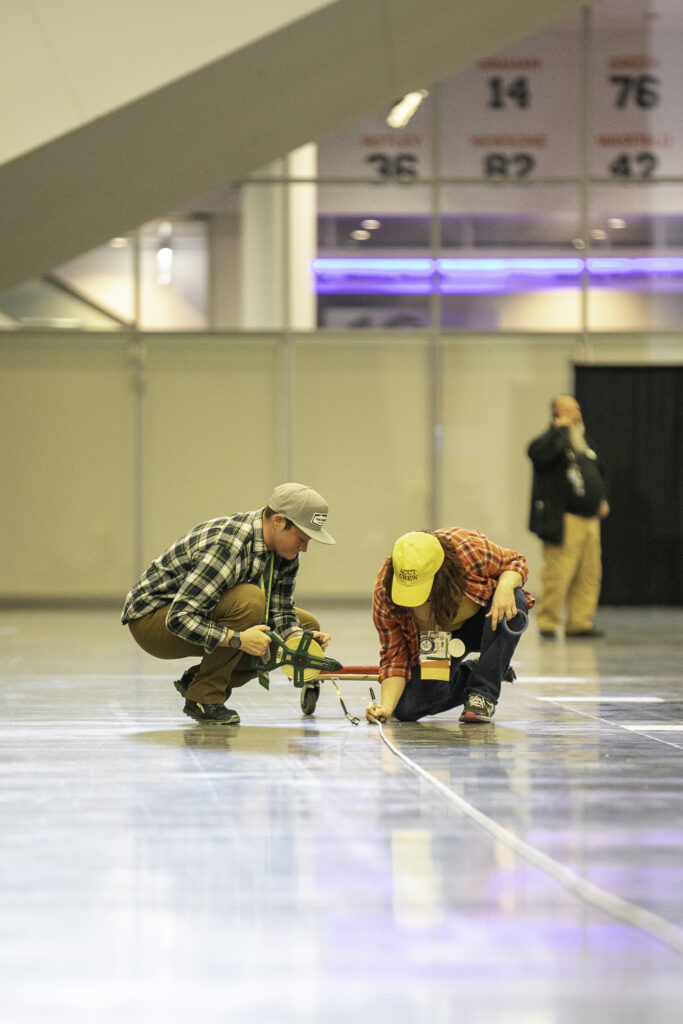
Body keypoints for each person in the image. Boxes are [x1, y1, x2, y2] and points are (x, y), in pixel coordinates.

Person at [121, 483, 335, 724]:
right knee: (250, 601)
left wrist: (298, 642)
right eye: (302, 538)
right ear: (278, 521)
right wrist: (238, 639)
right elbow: (179, 618)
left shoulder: (286, 554)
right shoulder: (228, 545)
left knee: (307, 626)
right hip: (153, 623)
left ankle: (197, 680)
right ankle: (204, 699)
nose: (304, 548)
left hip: (198, 615)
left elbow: (282, 612)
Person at [366, 528, 534, 725]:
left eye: (422, 595)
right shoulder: (385, 592)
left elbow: (515, 562)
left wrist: (505, 587)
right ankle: (483, 670)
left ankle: (483, 692)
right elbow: (394, 658)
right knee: (409, 708)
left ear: (442, 576)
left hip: (486, 622)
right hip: (437, 635)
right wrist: (386, 707)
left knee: (515, 600)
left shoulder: (469, 550)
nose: (413, 605)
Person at [527, 395, 609, 639]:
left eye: (577, 409)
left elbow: (597, 471)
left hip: (590, 520)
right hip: (565, 520)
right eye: (570, 410)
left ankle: (579, 622)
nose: (577, 414)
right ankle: (548, 622)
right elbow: (538, 455)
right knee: (558, 574)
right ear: (556, 413)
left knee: (589, 574)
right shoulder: (550, 441)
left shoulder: (583, 442)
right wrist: (560, 429)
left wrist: (601, 498)